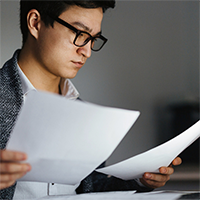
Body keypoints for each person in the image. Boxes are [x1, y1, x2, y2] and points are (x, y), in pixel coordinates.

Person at [0, 0, 182, 199]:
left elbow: (90, 188)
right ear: (35, 23)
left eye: (94, 39)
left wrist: (140, 180)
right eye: (79, 34)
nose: (86, 51)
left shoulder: (80, 110)